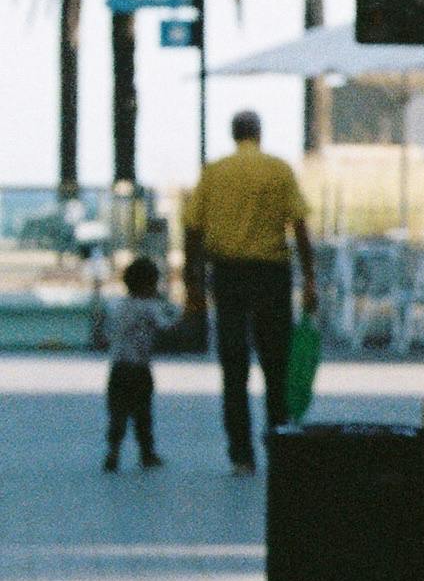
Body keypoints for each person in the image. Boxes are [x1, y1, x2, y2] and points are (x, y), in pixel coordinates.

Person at [182, 111, 319, 471]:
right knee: (276, 364)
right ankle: (279, 445)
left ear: (233, 134)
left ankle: (241, 455)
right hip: (272, 275)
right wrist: (310, 279)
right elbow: (300, 227)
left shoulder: (214, 172)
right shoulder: (279, 169)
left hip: (227, 275)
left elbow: (192, 227)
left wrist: (191, 280)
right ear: (259, 133)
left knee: (234, 366)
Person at [100, 255, 171, 472]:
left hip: (118, 367)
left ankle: (113, 451)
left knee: (117, 413)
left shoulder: (117, 306)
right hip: (140, 368)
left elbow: (105, 333)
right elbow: (166, 326)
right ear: (151, 284)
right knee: (143, 414)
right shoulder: (150, 307)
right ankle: (147, 454)